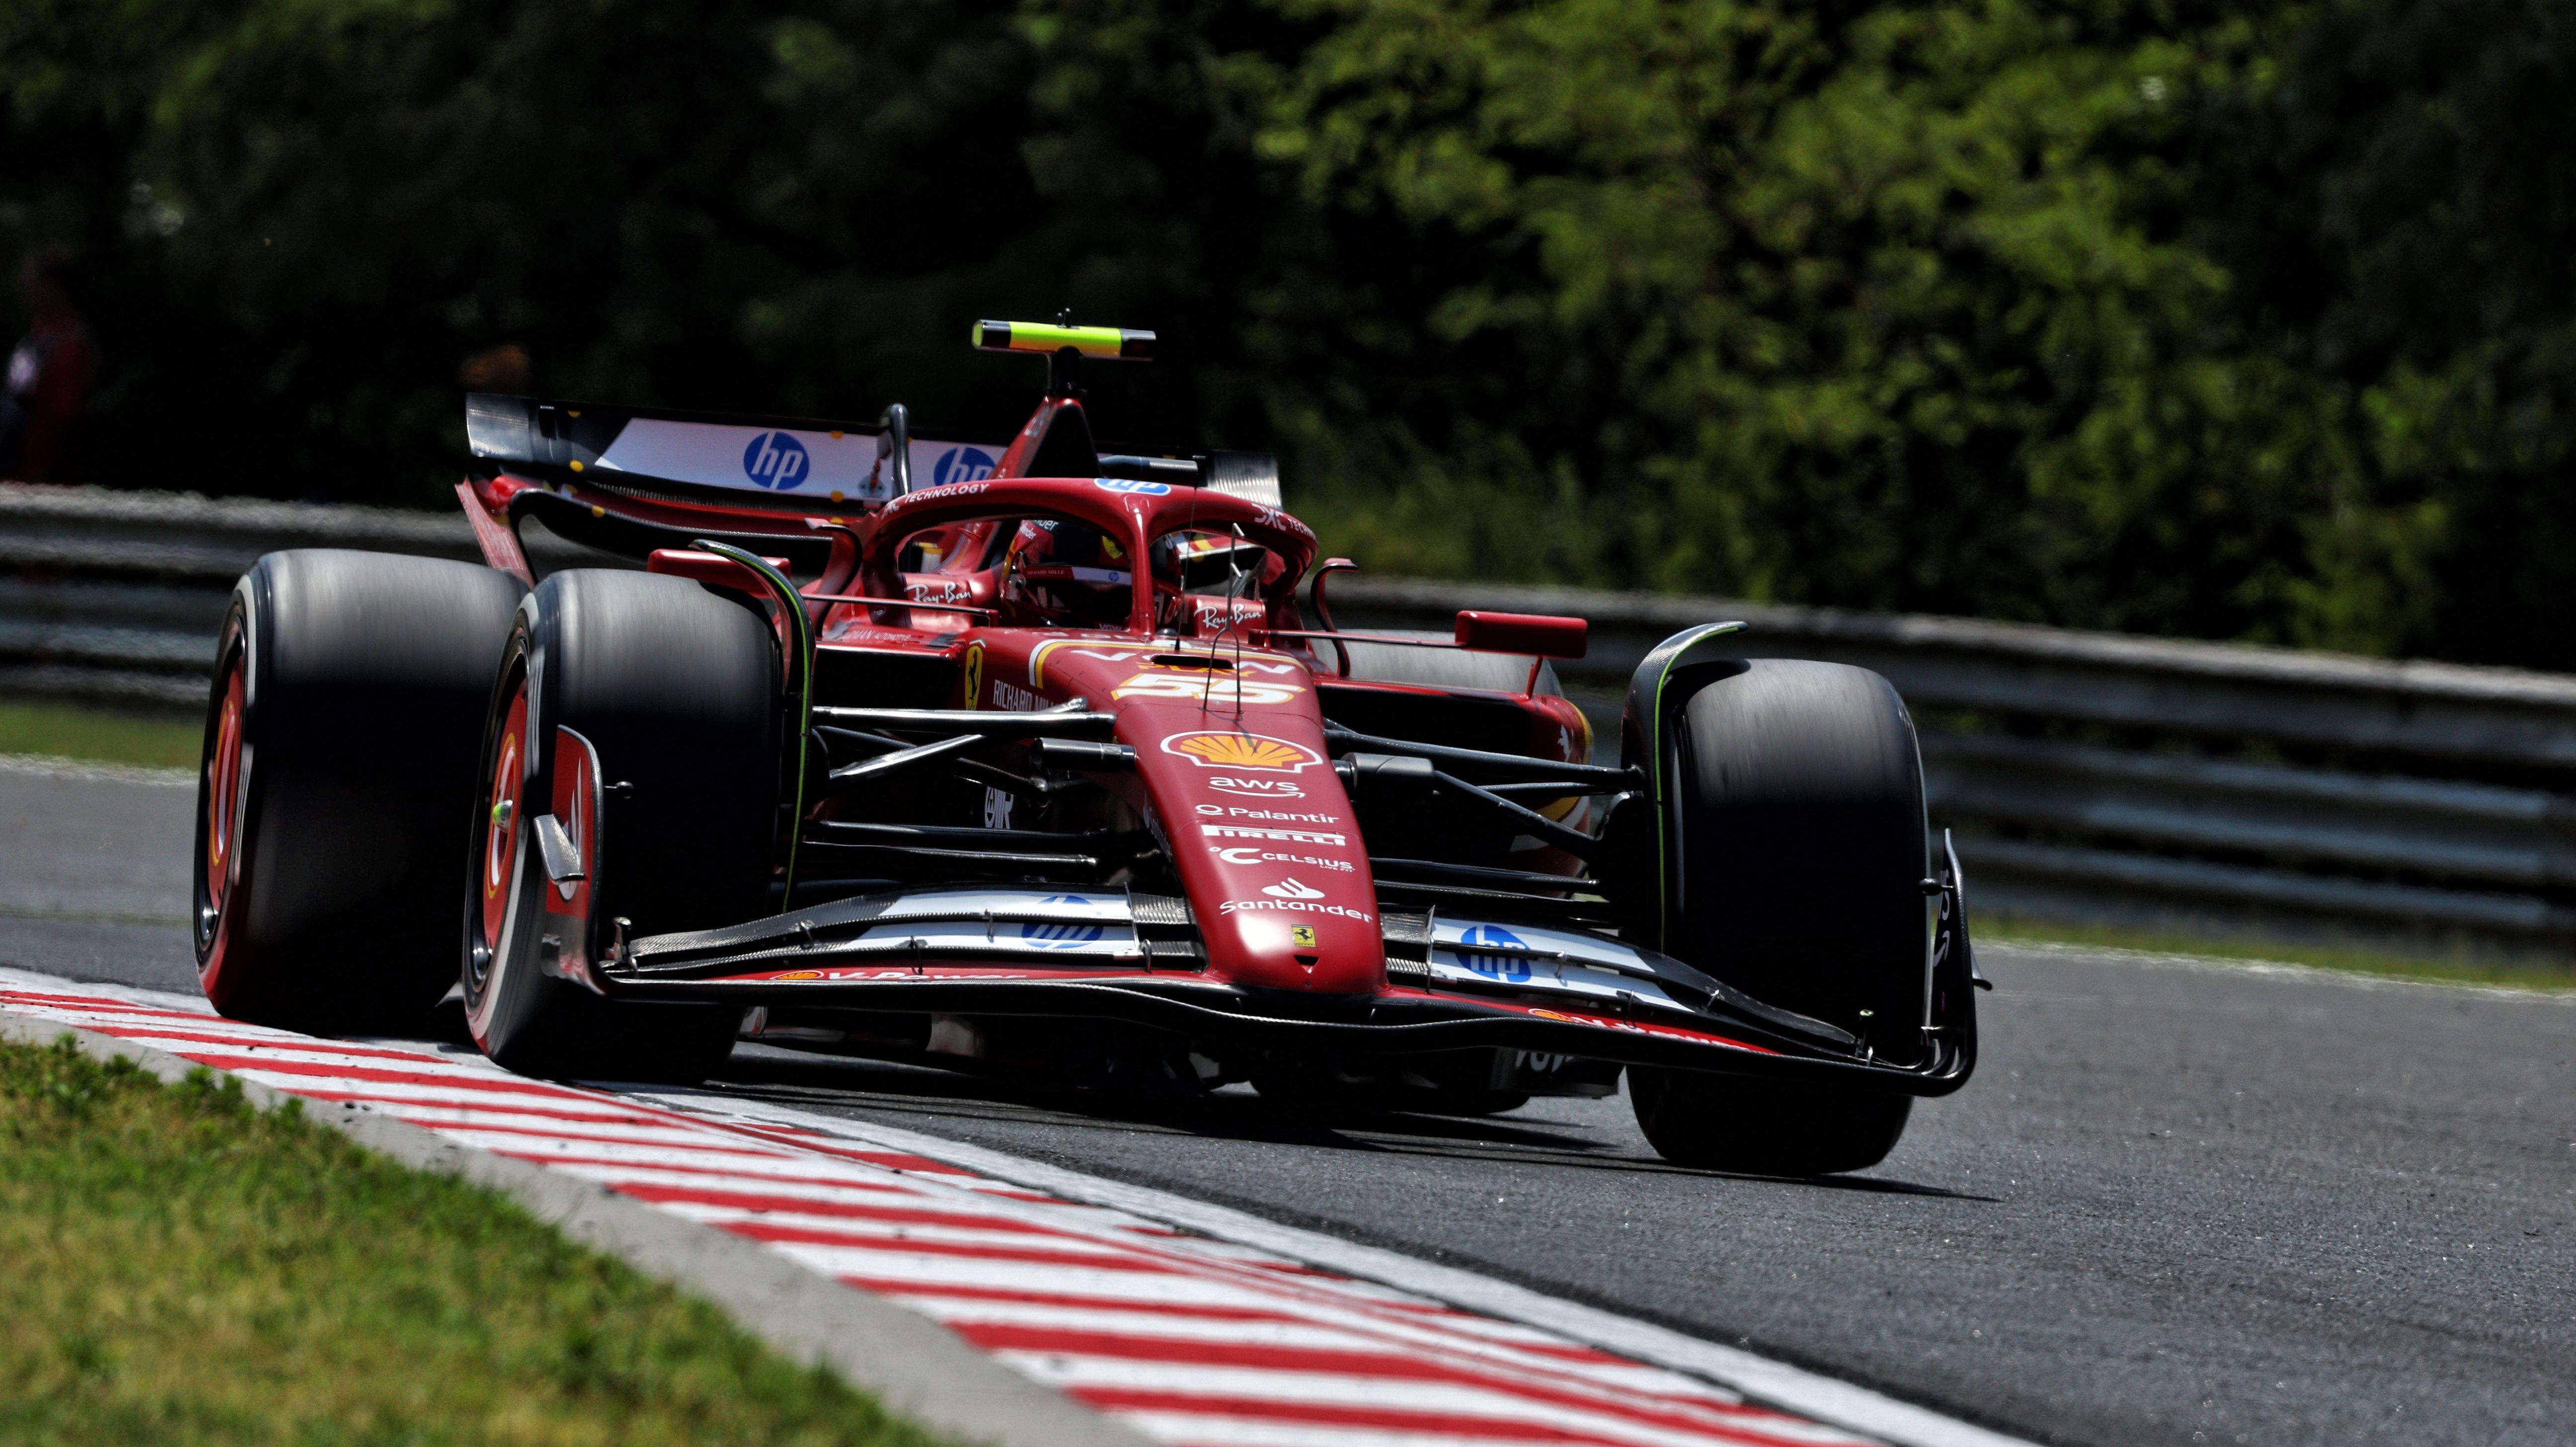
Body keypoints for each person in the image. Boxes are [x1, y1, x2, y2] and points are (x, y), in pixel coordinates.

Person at [0, 253, 96, 482]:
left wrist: (35, 473)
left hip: (41, 482)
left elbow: (61, 421)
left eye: (33, 282)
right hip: (12, 473)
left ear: (55, 288)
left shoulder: (72, 346)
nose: (25, 288)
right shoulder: (33, 339)